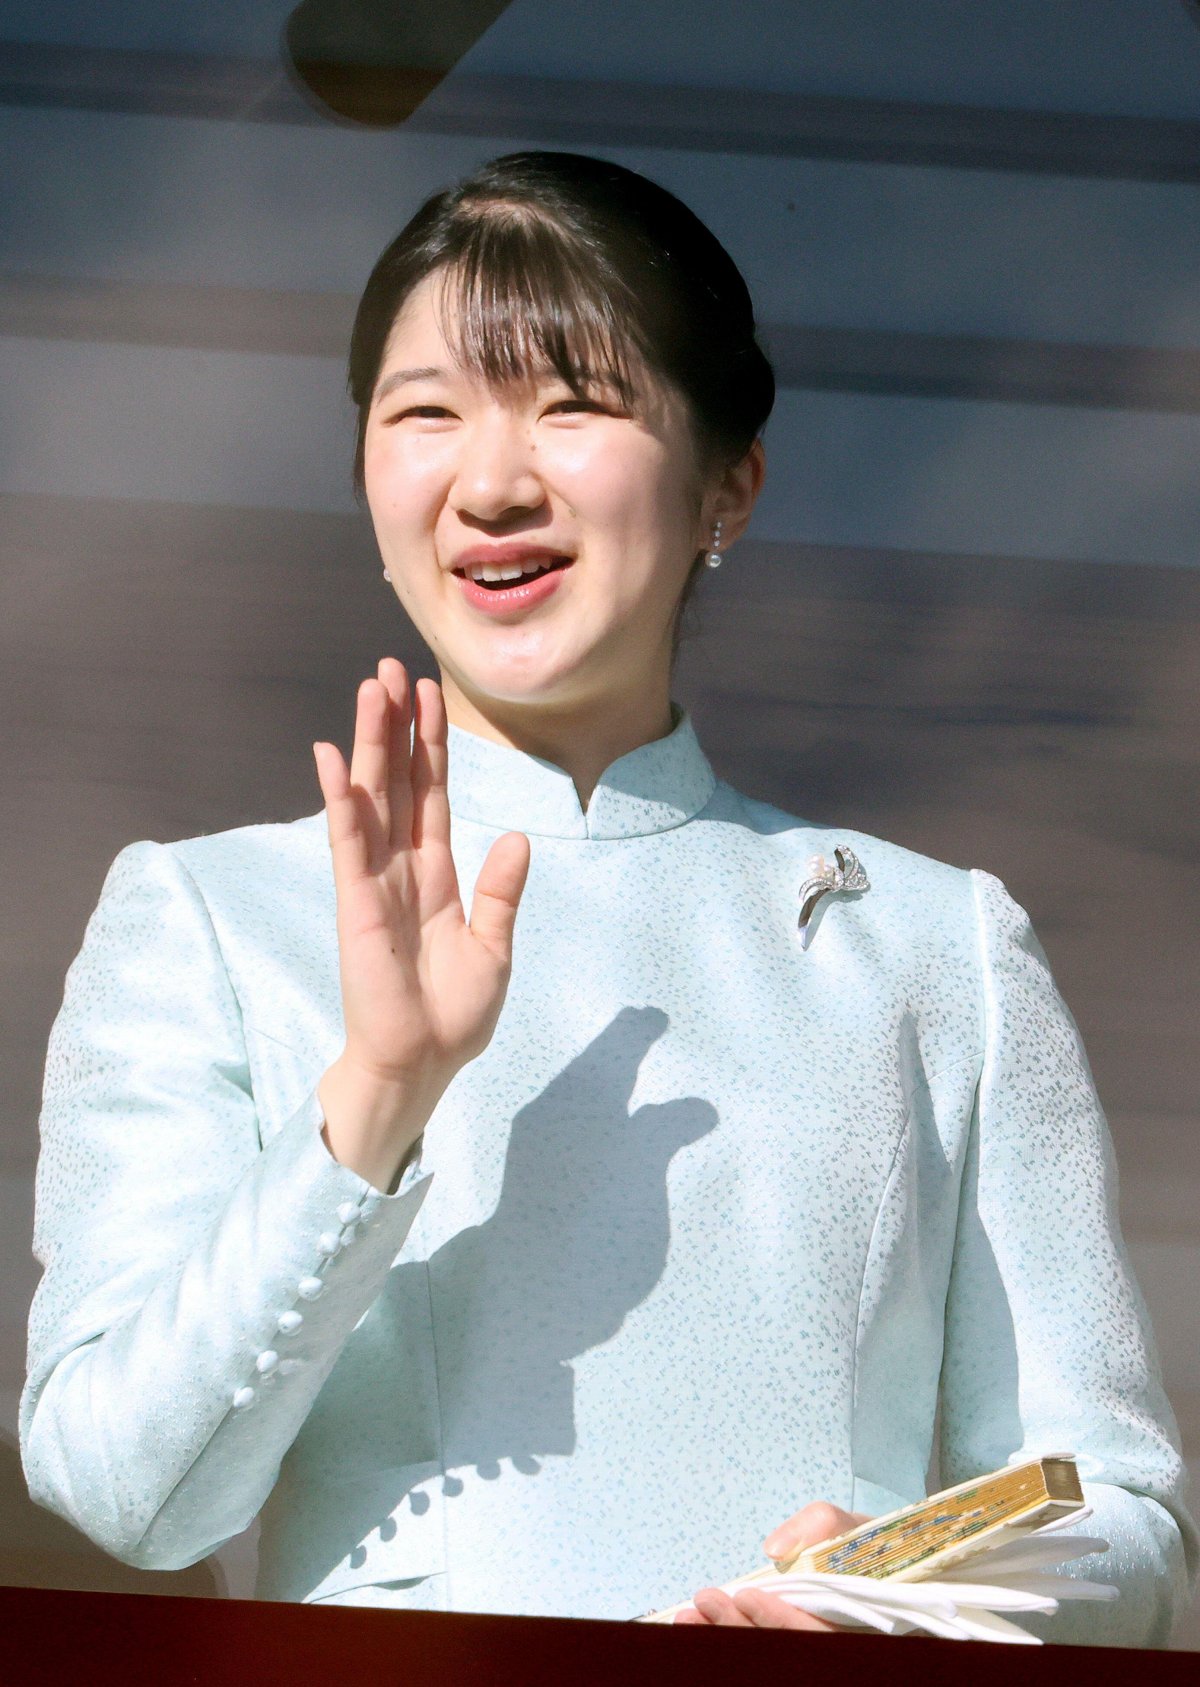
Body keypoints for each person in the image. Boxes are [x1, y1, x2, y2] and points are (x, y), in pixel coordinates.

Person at [19, 150, 1197, 1645]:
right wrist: (376, 1095)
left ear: (728, 485)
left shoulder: (933, 945)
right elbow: (123, 1493)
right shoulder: (209, 916)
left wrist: (896, 1586)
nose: (493, 483)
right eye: (426, 413)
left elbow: (1116, 1512)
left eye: (572, 403)